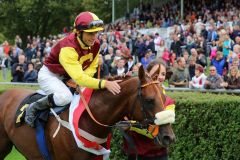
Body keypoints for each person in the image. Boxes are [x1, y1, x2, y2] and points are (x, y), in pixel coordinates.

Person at [25, 11, 121, 127]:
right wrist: (104, 84)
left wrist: (82, 81)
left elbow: (92, 66)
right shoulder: (68, 48)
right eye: (90, 33)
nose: (94, 37)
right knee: (66, 98)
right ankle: (34, 107)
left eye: (96, 33)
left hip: (70, 76)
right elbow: (80, 78)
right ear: (79, 32)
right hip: (50, 75)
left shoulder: (96, 44)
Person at [123, 59, 175, 160]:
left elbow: (159, 131)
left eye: (163, 74)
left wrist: (131, 126)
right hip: (135, 153)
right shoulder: (137, 97)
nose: (160, 77)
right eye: (156, 73)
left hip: (159, 155)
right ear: (147, 74)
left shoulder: (169, 102)